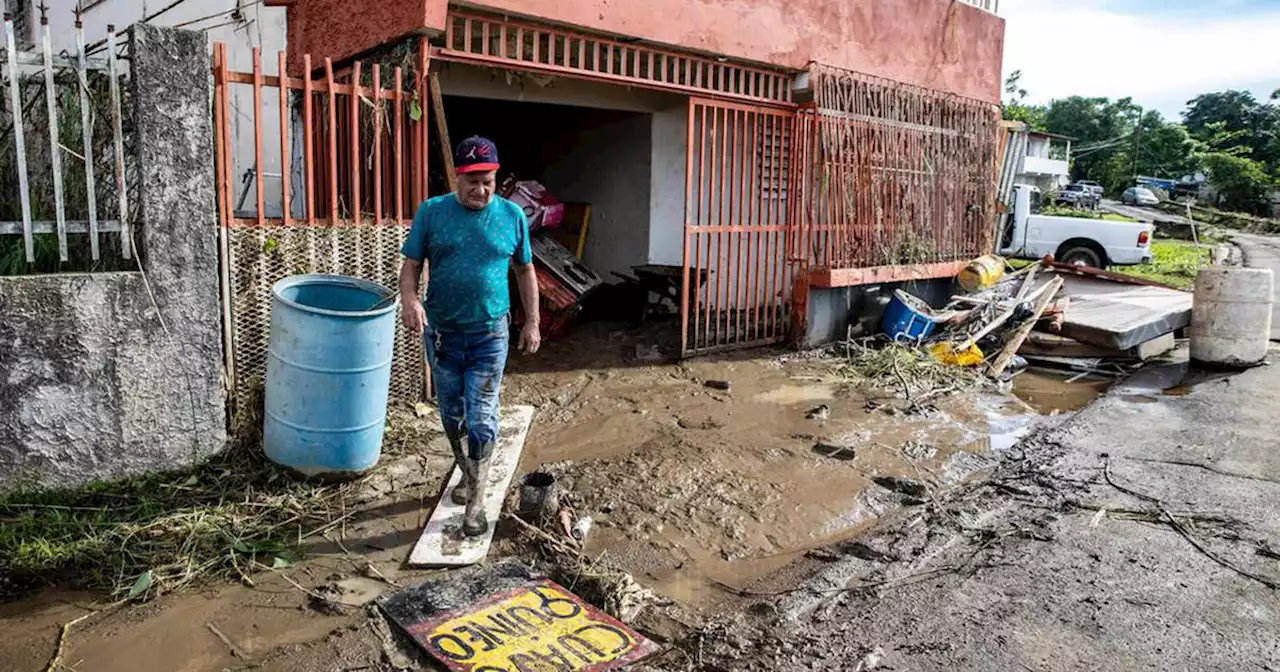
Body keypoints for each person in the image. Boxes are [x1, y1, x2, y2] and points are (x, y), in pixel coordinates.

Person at [398, 136, 541, 537]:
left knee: (481, 419)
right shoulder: (432, 212)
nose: (481, 190)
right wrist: (409, 300)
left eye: (488, 182)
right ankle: (467, 473)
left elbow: (525, 270)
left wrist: (532, 322)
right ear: (457, 178)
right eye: (472, 181)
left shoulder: (512, 216)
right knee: (452, 416)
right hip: (442, 336)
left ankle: (476, 501)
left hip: (489, 334)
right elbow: (411, 265)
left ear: (497, 179)